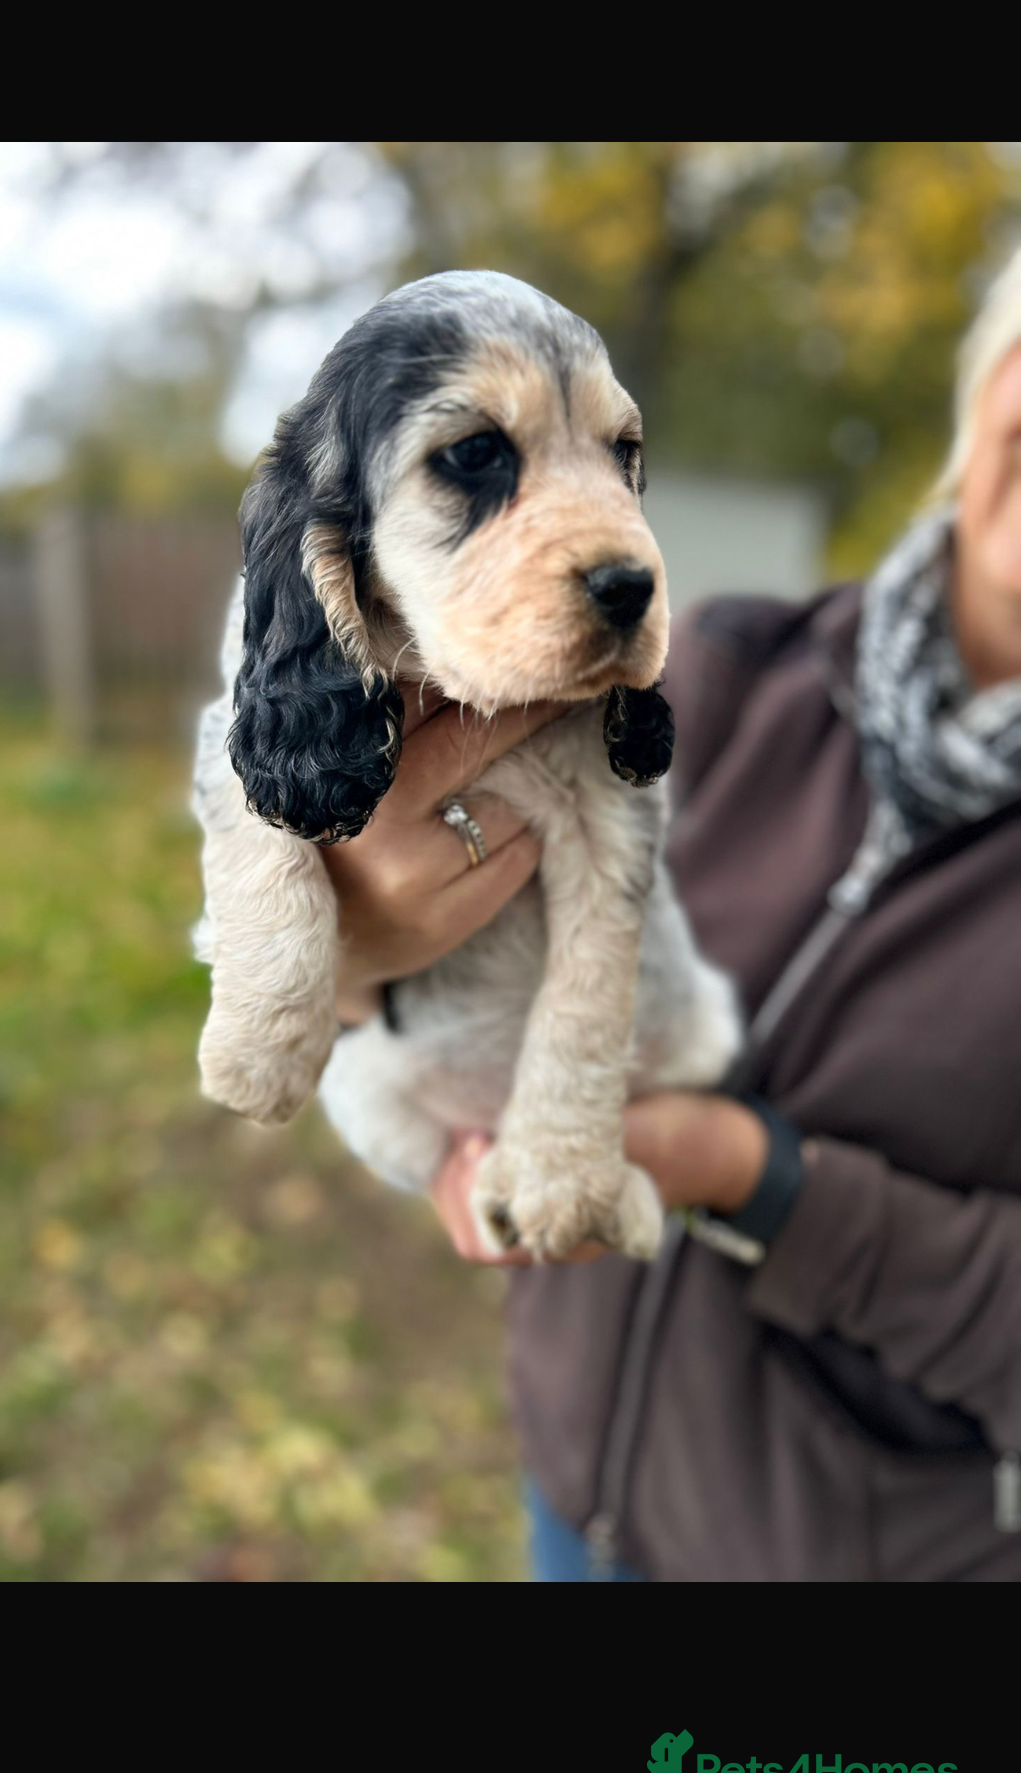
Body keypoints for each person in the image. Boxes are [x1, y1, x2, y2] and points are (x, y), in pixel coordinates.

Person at [328, 248, 1021, 1582]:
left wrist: (747, 1176)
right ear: (987, 375)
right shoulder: (721, 663)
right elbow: (457, 935)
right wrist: (370, 969)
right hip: (574, 1490)